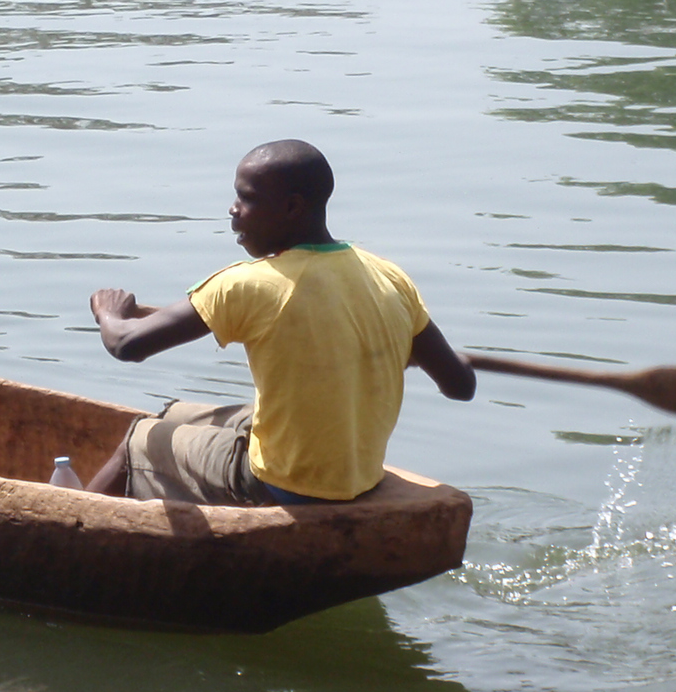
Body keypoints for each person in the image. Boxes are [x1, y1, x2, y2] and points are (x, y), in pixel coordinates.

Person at [83, 139, 471, 503]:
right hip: (358, 477)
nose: (233, 209)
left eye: (247, 198)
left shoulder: (249, 284)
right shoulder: (389, 277)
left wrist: (108, 312)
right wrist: (442, 358)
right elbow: (460, 385)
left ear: (292, 208)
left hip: (286, 482)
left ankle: (77, 522)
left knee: (140, 437)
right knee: (173, 414)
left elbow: (126, 345)